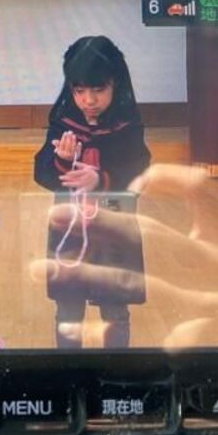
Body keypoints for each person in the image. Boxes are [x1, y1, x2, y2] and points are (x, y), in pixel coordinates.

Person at [34, 36, 151, 348]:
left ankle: (114, 369)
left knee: (115, 312)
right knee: (68, 311)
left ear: (116, 85)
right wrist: (61, 161)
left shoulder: (127, 127)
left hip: (113, 232)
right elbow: (41, 173)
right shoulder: (63, 123)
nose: (88, 100)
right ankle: (70, 371)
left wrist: (100, 179)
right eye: (79, 90)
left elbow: (139, 171)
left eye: (99, 90)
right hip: (70, 232)